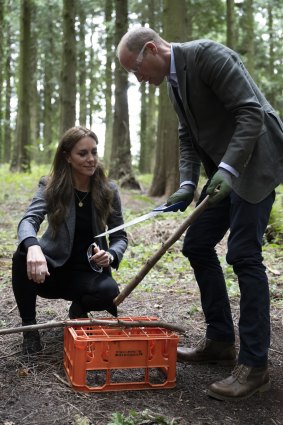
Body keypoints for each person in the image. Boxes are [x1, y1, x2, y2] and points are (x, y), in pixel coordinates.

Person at [117, 27, 283, 401]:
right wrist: (188, 183)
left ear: (152, 48)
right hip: (227, 169)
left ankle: (255, 366)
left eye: (137, 69)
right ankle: (221, 341)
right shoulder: (175, 80)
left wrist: (227, 168)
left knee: (243, 255)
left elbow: (250, 112)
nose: (138, 78)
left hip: (255, 162)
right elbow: (187, 134)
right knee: (197, 245)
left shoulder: (208, 56)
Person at [12, 126, 128, 355]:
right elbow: (28, 220)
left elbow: (119, 236)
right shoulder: (51, 185)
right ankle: (30, 328)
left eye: (94, 152)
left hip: (88, 274)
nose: (91, 159)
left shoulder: (108, 190)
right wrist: (33, 246)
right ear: (67, 156)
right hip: (51, 271)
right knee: (22, 256)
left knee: (109, 290)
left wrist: (111, 254)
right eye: (82, 153)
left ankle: (78, 309)